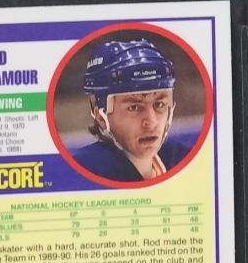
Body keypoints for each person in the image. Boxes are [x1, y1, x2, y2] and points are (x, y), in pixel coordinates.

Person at [72, 38, 196, 182]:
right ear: (101, 116)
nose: (151, 122)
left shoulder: (180, 159)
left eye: (159, 104)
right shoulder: (84, 170)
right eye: (134, 107)